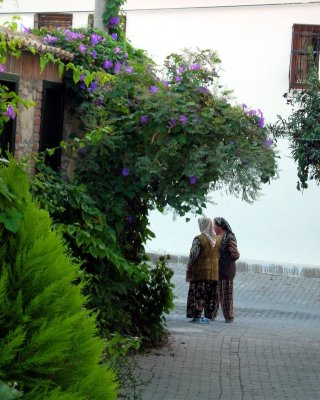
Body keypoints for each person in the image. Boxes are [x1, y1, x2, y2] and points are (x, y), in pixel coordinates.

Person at [186, 217, 219, 323]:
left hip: (200, 272)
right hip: (214, 273)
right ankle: (208, 316)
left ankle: (197, 316)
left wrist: (189, 265)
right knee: (210, 295)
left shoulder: (199, 239)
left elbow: (193, 254)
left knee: (199, 294)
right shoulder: (217, 239)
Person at [213, 217, 240, 323]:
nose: (213, 227)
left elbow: (235, 255)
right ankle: (211, 315)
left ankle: (229, 316)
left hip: (226, 271)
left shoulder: (229, 237)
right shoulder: (217, 237)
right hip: (217, 271)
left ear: (220, 226)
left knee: (226, 296)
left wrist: (225, 258)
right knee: (215, 294)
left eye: (214, 225)